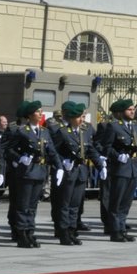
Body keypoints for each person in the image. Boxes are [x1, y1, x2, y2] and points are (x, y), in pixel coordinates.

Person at [2, 100, 58, 248]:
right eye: (38, 112)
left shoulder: (44, 131)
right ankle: (21, 235)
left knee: (32, 206)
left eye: (41, 111)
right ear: (30, 115)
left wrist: (59, 167)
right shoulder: (21, 131)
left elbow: (51, 151)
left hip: (39, 172)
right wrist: (19, 158)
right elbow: (7, 150)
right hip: (26, 173)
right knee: (23, 205)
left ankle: (30, 233)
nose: (41, 114)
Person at [94, 98, 137, 242]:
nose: (133, 111)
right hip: (120, 169)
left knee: (126, 202)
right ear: (122, 113)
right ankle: (115, 230)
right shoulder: (113, 127)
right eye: (129, 109)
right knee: (116, 201)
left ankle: (122, 228)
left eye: (133, 109)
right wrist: (117, 156)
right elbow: (106, 147)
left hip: (133, 168)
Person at [48, 101, 94, 245]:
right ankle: (63, 233)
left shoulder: (84, 131)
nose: (82, 119)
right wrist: (61, 163)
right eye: (80, 117)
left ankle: (72, 231)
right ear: (72, 118)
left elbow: (90, 149)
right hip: (68, 172)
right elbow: (52, 151)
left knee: (75, 205)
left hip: (80, 171)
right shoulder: (61, 132)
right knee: (64, 205)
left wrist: (100, 162)